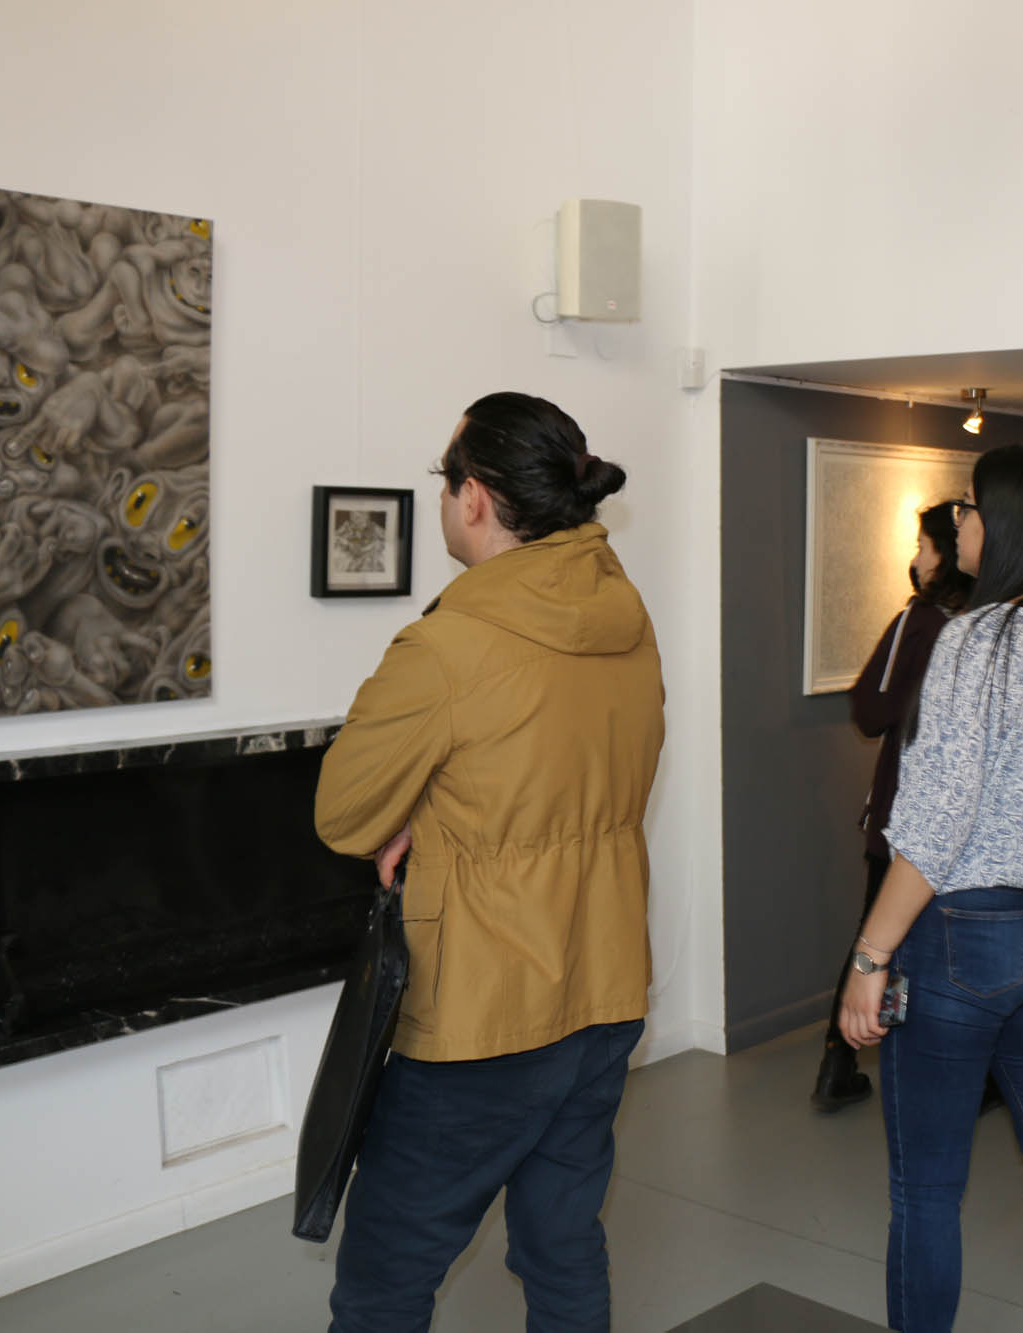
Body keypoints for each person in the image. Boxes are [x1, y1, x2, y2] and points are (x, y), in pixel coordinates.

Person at [314, 392, 664, 1332]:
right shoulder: (625, 616)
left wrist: (412, 811)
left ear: (473, 497)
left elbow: (344, 813)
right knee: (562, 1244)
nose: (443, 497)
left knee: (386, 1276)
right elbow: (573, 775)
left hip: (485, 1013)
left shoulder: (449, 644)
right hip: (605, 985)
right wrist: (435, 809)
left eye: (445, 479)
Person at [838, 444, 1023, 1333]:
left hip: (966, 937)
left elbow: (934, 829)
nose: (958, 519)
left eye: (970, 505)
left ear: (1008, 525)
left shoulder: (975, 640)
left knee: (926, 1188)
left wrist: (869, 956)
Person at [813, 502, 974, 1111]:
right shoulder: (989, 622)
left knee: (878, 929)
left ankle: (840, 1058)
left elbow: (871, 710)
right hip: (970, 818)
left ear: (944, 554)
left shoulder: (922, 618)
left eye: (923, 547)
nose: (916, 559)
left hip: (908, 807)